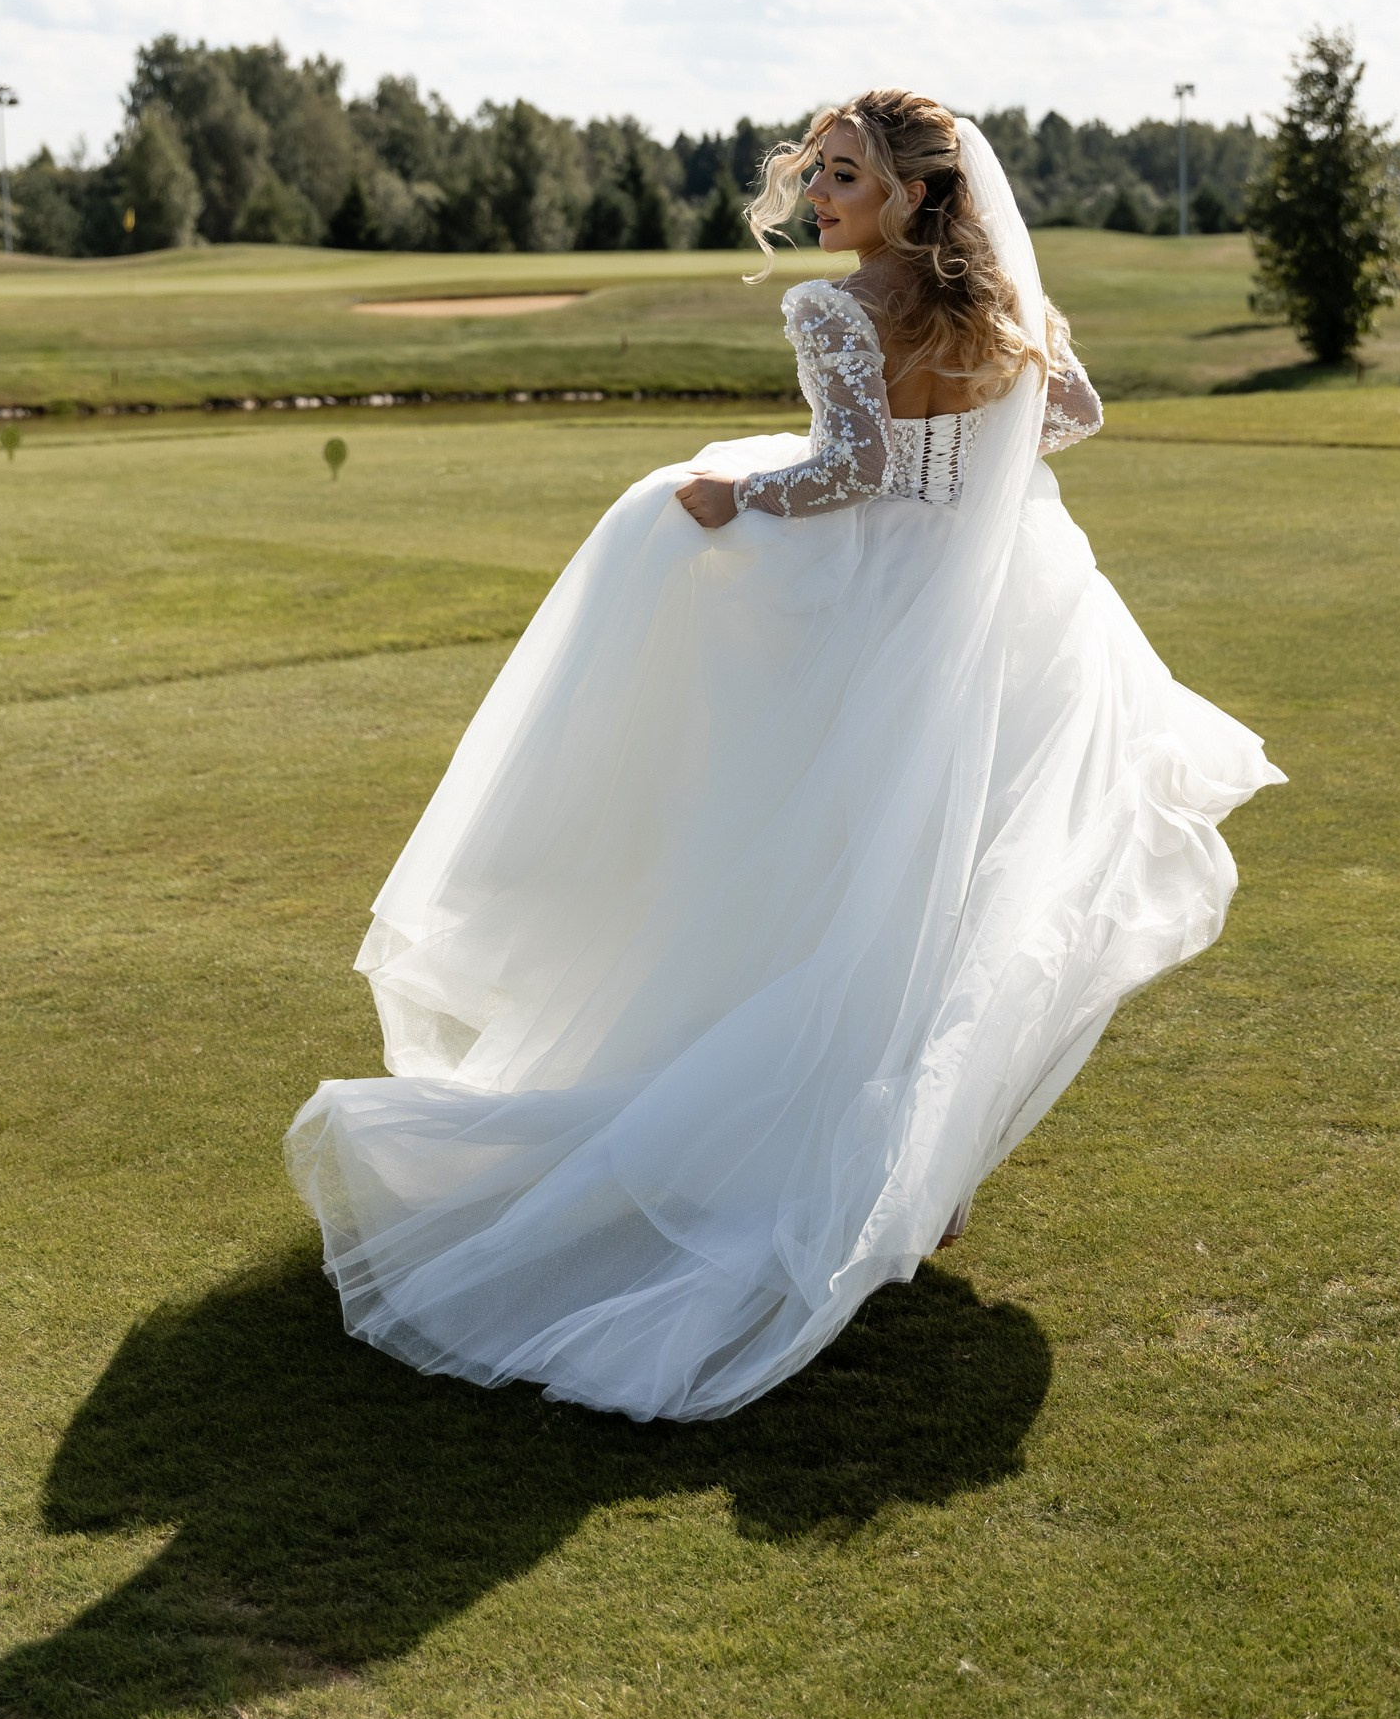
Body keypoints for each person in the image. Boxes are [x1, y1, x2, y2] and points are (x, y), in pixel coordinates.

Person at [287, 91, 1283, 1422]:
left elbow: (850, 472)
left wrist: (733, 495)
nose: (819, 198)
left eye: (846, 177)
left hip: (875, 615)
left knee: (833, 877)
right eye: (816, 174)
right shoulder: (1005, 313)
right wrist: (981, 433)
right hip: (1002, 611)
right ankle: (915, 1179)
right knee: (943, 882)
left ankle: (813, 1160)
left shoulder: (831, 312)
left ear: (914, 195)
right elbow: (1072, 419)